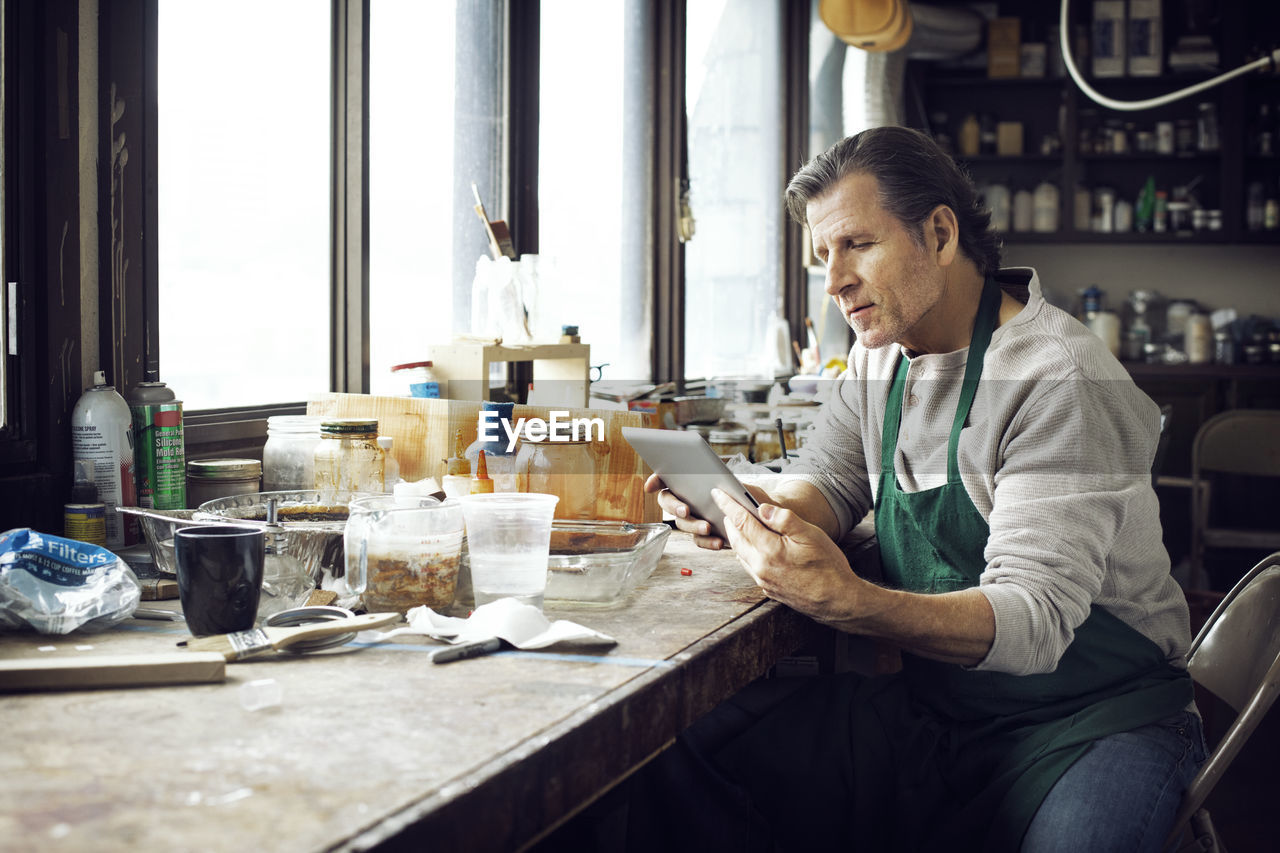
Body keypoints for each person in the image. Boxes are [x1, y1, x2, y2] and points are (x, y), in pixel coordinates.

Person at [634, 126, 1205, 852]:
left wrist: (853, 602)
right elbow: (830, 484)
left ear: (939, 233)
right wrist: (738, 505)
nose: (834, 279)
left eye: (857, 245)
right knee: (682, 745)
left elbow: (1033, 620)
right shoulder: (882, 357)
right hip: (947, 714)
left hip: (1094, 719)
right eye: (823, 256)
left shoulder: (1055, 375)